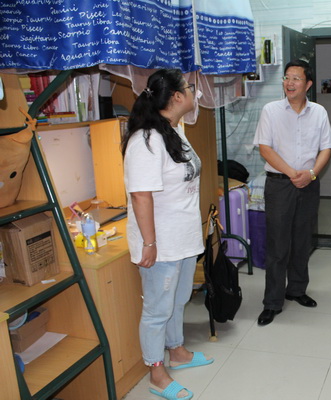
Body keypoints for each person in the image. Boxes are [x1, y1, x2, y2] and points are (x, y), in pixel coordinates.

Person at [122, 69, 213, 400]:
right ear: (176, 97)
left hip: (183, 238)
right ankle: (157, 374)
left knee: (178, 299)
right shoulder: (145, 141)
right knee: (157, 309)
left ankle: (178, 352)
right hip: (160, 244)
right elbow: (140, 195)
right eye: (189, 88)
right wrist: (149, 243)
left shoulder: (173, 131)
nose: (194, 94)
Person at [253, 60, 331, 326]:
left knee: (302, 241)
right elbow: (265, 148)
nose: (289, 83)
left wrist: (311, 174)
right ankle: (272, 302)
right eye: (287, 78)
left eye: (296, 78)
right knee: (278, 244)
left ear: (308, 84)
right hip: (280, 185)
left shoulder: (319, 112)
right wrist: (292, 173)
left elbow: (326, 148)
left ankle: (297, 289)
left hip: (309, 184)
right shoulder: (271, 110)